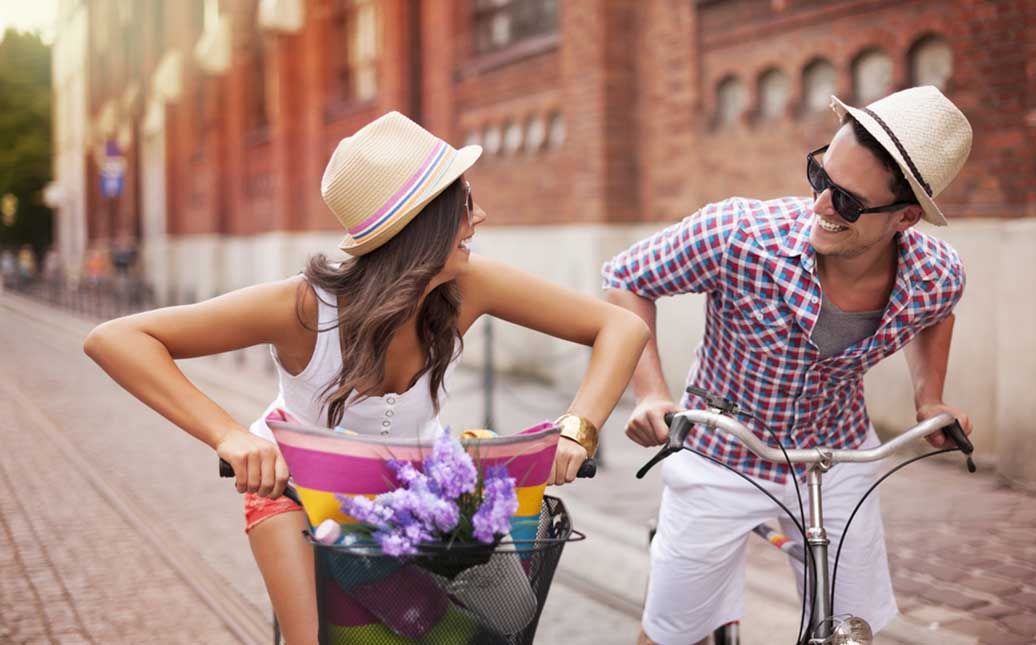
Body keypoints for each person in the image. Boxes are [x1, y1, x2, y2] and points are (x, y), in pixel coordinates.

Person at [84, 111, 650, 644]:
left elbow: (620, 327)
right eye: (465, 203)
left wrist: (578, 428)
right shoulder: (304, 307)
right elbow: (116, 339)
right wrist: (230, 435)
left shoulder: (467, 286)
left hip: (417, 505)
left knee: (495, 627)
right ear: (422, 224)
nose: (479, 218)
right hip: (298, 495)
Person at [602, 86, 974, 644]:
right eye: (820, 178)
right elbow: (626, 280)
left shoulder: (935, 274)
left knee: (852, 630)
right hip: (720, 452)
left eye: (846, 202)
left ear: (905, 218)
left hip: (835, 455)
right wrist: (650, 393)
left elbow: (938, 310)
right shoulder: (738, 235)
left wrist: (931, 399)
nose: (820, 207)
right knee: (672, 635)